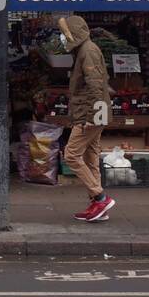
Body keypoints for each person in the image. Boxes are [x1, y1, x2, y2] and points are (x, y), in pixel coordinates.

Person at [59, 15, 115, 223]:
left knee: (71, 155)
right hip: (92, 114)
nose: (64, 38)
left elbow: (96, 86)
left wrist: (94, 116)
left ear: (76, 33)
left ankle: (100, 197)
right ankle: (98, 207)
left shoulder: (88, 51)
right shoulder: (84, 50)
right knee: (91, 157)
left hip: (89, 115)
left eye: (66, 34)